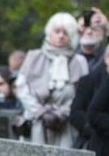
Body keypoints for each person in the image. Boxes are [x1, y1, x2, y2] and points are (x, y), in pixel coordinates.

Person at [14, 12, 88, 147]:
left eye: (65, 33)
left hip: (66, 125)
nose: (61, 36)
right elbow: (21, 88)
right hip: (35, 122)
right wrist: (40, 112)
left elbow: (83, 94)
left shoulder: (79, 61)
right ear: (49, 32)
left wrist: (62, 113)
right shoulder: (33, 56)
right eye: (57, 31)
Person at [69, 40, 109, 149]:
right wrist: (97, 131)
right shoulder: (88, 81)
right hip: (92, 141)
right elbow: (76, 113)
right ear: (107, 58)